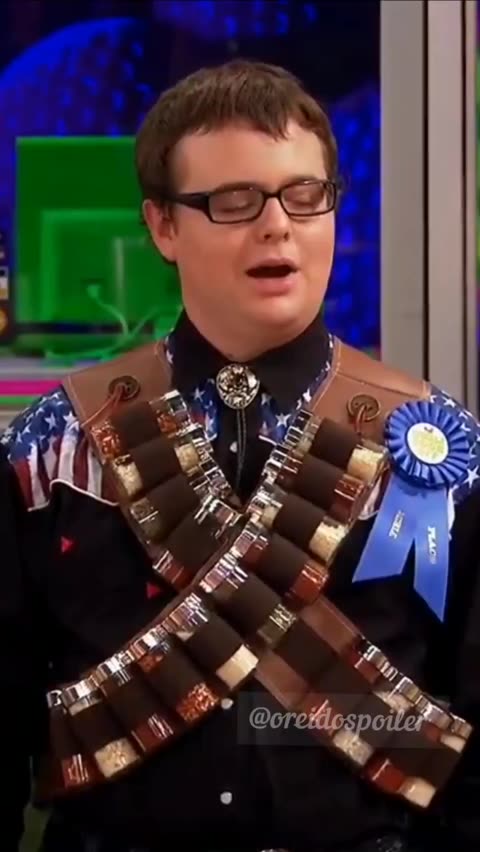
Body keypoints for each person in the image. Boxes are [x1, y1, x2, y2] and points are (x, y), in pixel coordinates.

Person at [2, 59, 480, 852]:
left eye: (305, 194)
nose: (278, 226)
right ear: (163, 226)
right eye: (234, 201)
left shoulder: (438, 450)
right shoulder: (53, 449)